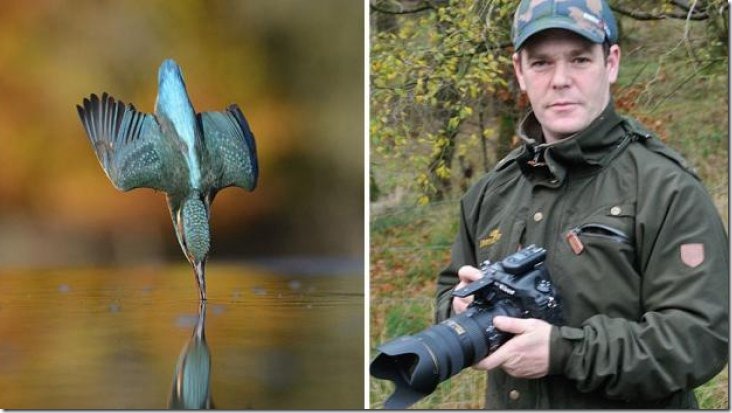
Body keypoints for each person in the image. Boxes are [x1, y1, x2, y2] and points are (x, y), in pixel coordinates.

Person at [434, 0, 728, 408]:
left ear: (610, 63)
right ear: (519, 71)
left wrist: (563, 351)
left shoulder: (666, 188)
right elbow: (448, 290)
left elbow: (699, 339)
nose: (560, 80)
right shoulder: (490, 193)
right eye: (541, 63)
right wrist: (458, 307)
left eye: (579, 59)